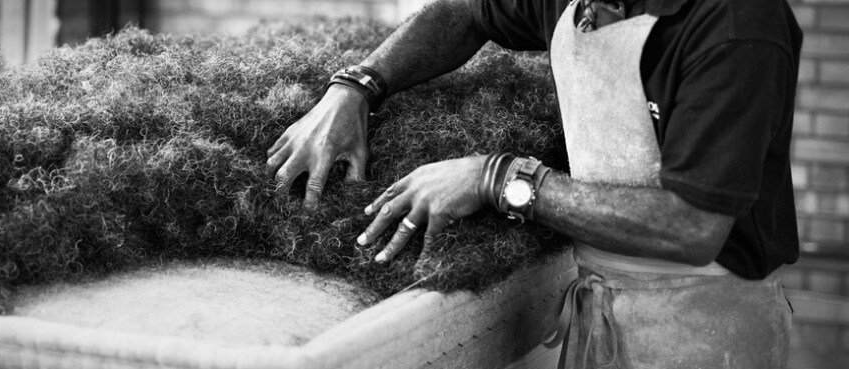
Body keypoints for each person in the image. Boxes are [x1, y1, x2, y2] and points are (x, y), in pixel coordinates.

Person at [266, 0, 802, 367]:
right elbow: (465, 12)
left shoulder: (737, 25)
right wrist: (356, 87)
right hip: (598, 310)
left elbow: (692, 225)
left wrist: (497, 177)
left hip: (708, 330)